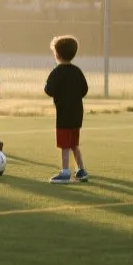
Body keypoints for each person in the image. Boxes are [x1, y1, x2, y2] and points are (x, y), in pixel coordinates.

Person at [44, 35, 89, 184]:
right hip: (77, 113)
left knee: (64, 144)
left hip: (63, 114)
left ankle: (65, 172)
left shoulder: (57, 72)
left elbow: (49, 90)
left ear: (56, 54)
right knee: (74, 143)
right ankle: (81, 170)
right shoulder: (77, 71)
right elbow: (84, 89)